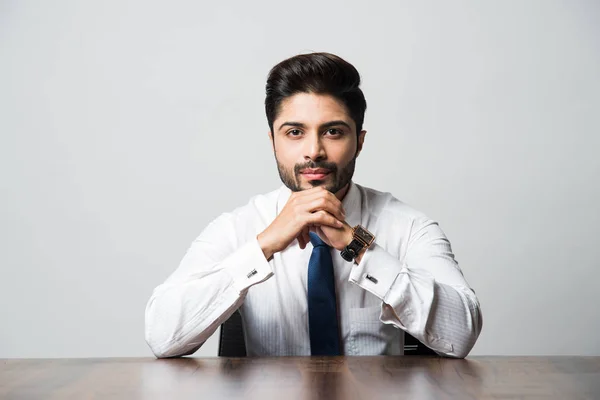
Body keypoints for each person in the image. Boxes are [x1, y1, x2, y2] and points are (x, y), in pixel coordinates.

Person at [144, 52, 482, 359]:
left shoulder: (407, 226)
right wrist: (263, 245)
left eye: (333, 131)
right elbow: (162, 337)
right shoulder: (238, 227)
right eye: (294, 132)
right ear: (273, 142)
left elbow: (462, 334)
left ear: (359, 142)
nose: (313, 151)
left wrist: (359, 245)